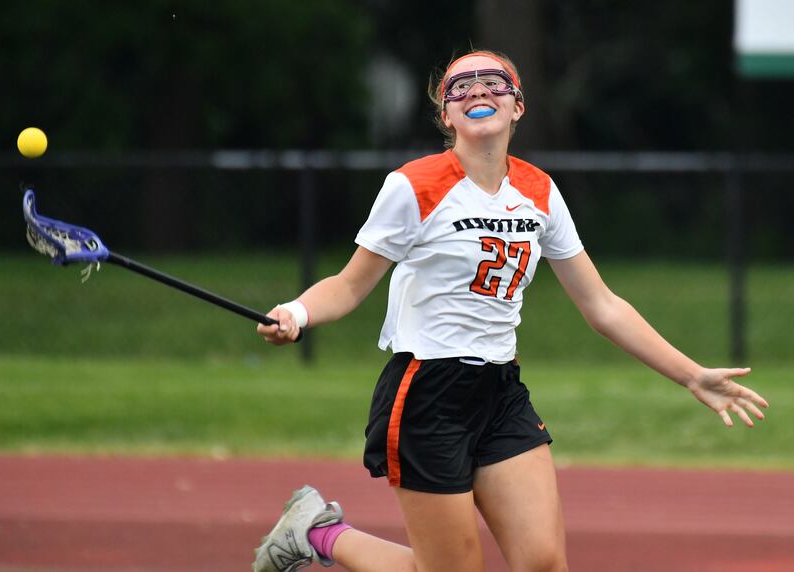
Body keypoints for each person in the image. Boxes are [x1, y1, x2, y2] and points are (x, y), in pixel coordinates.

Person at [253, 49, 769, 572]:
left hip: (500, 392)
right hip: (427, 393)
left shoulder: (539, 191)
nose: (478, 90)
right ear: (446, 115)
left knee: (543, 563)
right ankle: (316, 532)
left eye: (494, 82)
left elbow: (603, 306)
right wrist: (297, 312)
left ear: (518, 106)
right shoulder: (413, 185)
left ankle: (315, 530)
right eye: (460, 86)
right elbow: (348, 285)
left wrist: (692, 375)